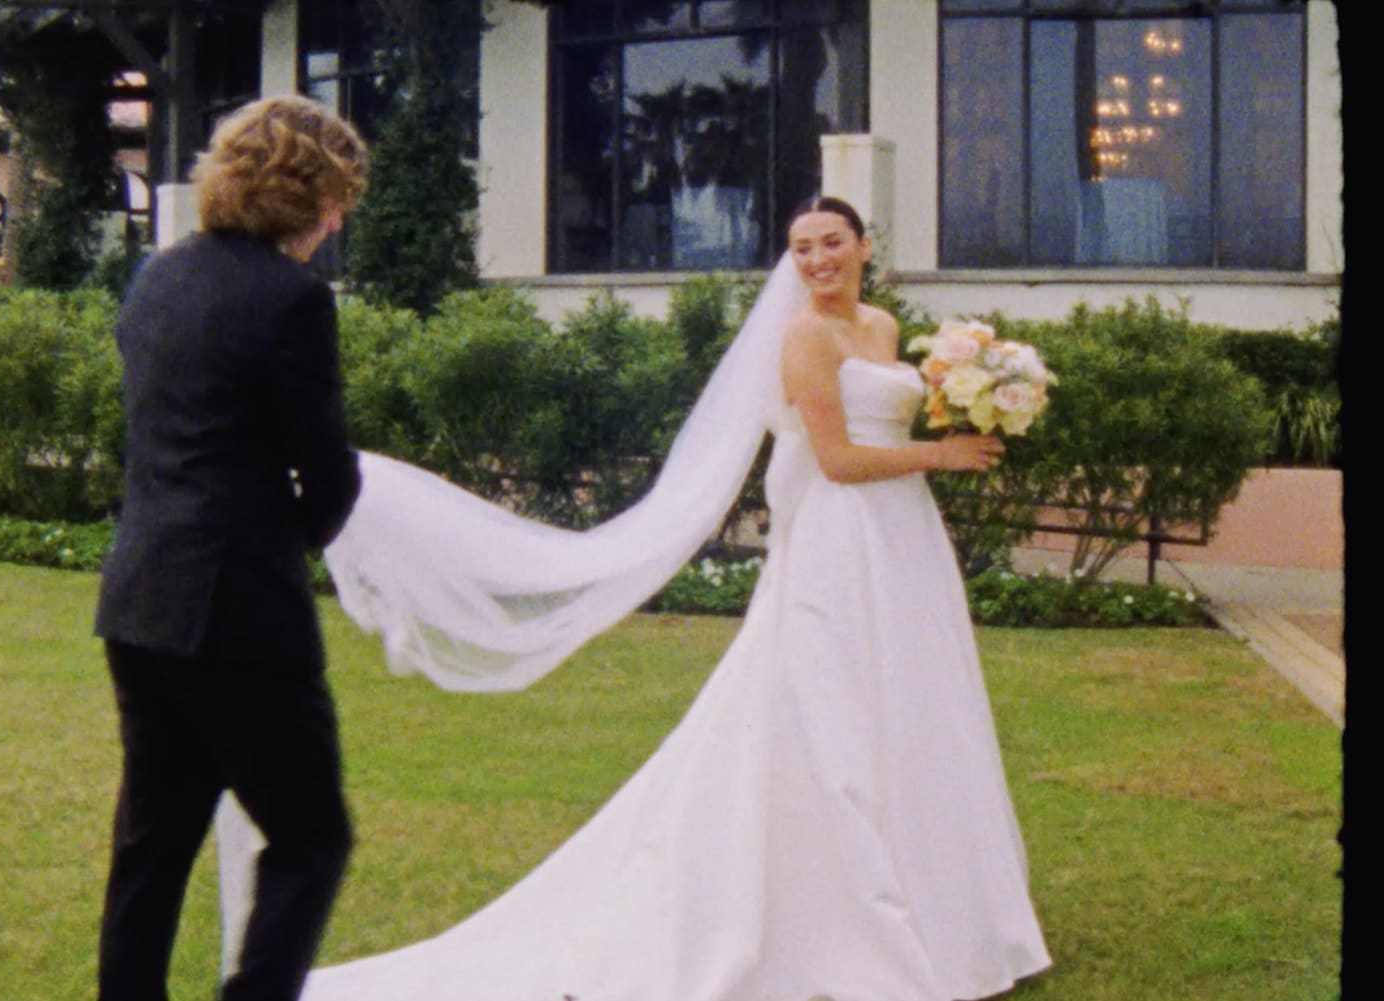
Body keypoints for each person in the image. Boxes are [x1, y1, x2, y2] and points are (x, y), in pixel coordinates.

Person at [216, 197, 1051, 1000]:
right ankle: (841, 914)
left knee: (907, 706)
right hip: (845, 536)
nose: (818, 259)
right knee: (829, 711)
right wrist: (942, 459)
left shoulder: (881, 327)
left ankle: (943, 907)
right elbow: (834, 458)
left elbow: (882, 426)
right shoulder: (803, 336)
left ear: (866, 248)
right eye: (801, 247)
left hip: (900, 537)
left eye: (833, 242)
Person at [93, 94, 366, 1001]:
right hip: (237, 616)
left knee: (153, 844)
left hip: (138, 601)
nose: (336, 222)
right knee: (311, 836)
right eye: (336, 201)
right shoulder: (293, 299)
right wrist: (285, 540)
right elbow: (327, 476)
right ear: (306, 194)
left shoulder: (158, 276)